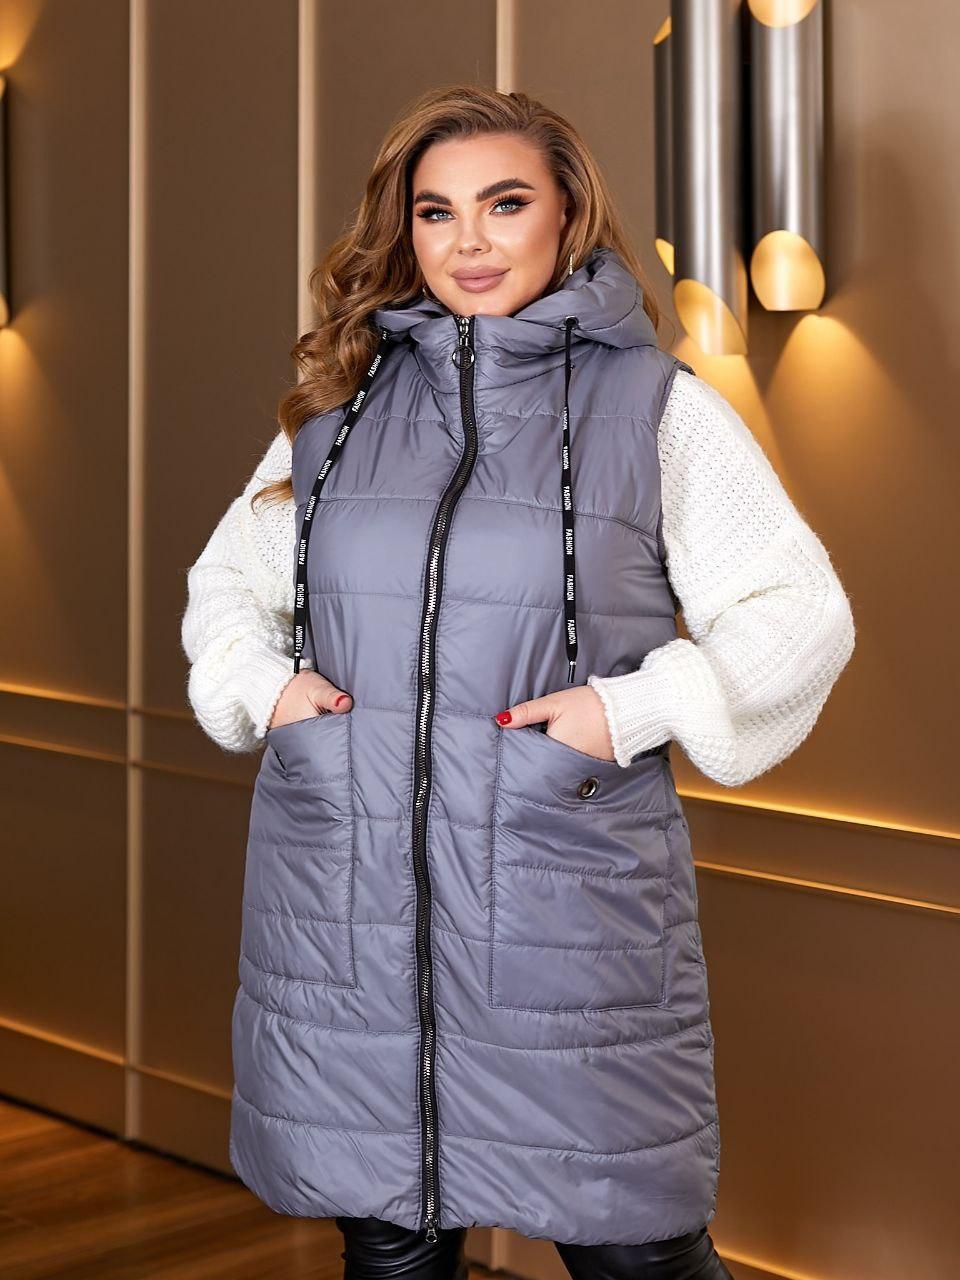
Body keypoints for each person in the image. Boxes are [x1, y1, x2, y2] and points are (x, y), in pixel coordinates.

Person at [181, 85, 855, 1280]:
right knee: (390, 1245)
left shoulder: (654, 410)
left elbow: (799, 611)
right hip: (346, 915)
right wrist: (264, 687)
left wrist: (629, 709)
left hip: (564, 915)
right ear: (405, 229)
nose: (470, 242)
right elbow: (226, 585)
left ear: (567, 214)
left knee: (637, 1255)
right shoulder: (338, 414)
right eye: (436, 212)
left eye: (505, 204)